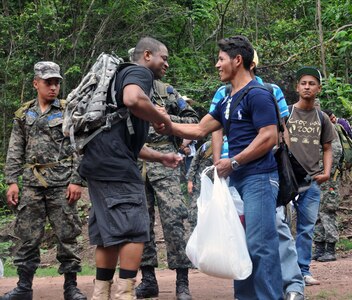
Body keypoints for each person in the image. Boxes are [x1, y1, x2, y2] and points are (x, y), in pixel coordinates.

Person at [154, 35, 283, 299]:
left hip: (259, 178)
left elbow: (269, 136)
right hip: (236, 182)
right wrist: (166, 123)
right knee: (239, 245)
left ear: (238, 61)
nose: (217, 65)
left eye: (221, 59)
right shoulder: (228, 99)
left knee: (260, 245)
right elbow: (200, 128)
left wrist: (235, 161)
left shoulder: (258, 95)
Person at [78, 37, 182, 299]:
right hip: (116, 167)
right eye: (164, 58)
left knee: (106, 233)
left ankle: (101, 294)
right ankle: (125, 294)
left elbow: (125, 142)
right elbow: (134, 99)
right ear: (147, 55)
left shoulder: (117, 77)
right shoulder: (139, 72)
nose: (166, 64)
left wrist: (160, 157)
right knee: (136, 230)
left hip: (97, 161)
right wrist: (162, 118)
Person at [210, 50, 305, 300]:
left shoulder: (267, 91)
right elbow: (213, 129)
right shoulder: (223, 94)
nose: (218, 64)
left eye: (222, 59)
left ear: (243, 63)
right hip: (231, 172)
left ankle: (293, 285)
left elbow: (278, 130)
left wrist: (281, 162)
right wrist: (219, 161)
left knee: (272, 231)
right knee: (243, 237)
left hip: (260, 169)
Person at [3, 62, 86, 300]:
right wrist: (12, 181)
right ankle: (23, 287)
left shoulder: (69, 110)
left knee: (67, 235)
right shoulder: (24, 113)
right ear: (35, 83)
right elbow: (15, 149)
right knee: (27, 236)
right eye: (48, 82)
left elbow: (79, 148)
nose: (53, 87)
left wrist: (77, 180)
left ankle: (71, 287)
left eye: (57, 82)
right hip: (31, 185)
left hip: (62, 183)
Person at [136, 80, 199, 299]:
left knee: (174, 221)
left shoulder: (166, 92)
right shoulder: (126, 90)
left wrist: (166, 118)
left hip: (166, 162)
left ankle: (182, 282)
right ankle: (148, 280)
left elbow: (194, 120)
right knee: (140, 224)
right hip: (135, 163)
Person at [286, 67, 336, 286]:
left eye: (312, 83)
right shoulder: (285, 112)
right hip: (286, 180)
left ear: (319, 89)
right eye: (303, 83)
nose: (307, 87)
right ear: (297, 87)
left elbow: (327, 147)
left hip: (311, 180)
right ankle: (283, 271)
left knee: (306, 228)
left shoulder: (321, 117)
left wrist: (326, 172)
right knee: (282, 227)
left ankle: (303, 271)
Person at [313, 110, 343, 262]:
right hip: (316, 177)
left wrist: (325, 172)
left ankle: (330, 249)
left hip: (328, 179)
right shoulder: (314, 127)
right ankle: (319, 248)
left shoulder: (329, 128)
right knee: (317, 211)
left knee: (327, 210)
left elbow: (335, 152)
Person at [187, 140, 214, 230]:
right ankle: (194, 232)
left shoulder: (229, 145)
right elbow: (195, 161)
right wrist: (190, 181)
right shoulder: (208, 145)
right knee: (195, 209)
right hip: (200, 182)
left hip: (217, 185)